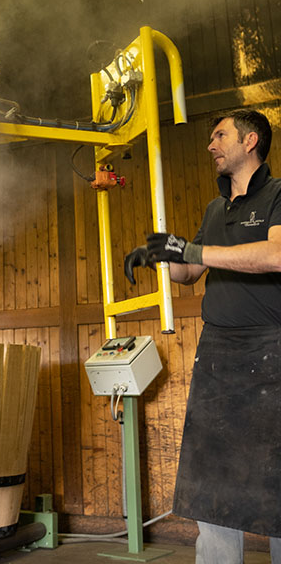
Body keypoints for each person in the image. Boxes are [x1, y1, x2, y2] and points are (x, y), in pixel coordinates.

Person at [124, 108, 281, 564]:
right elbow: (191, 271)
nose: (210, 145)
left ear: (250, 141)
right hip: (218, 353)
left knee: (276, 474)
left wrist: (192, 249)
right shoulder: (215, 208)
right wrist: (162, 256)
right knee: (210, 476)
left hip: (272, 347)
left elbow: (275, 255)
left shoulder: (277, 194)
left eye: (220, 136)